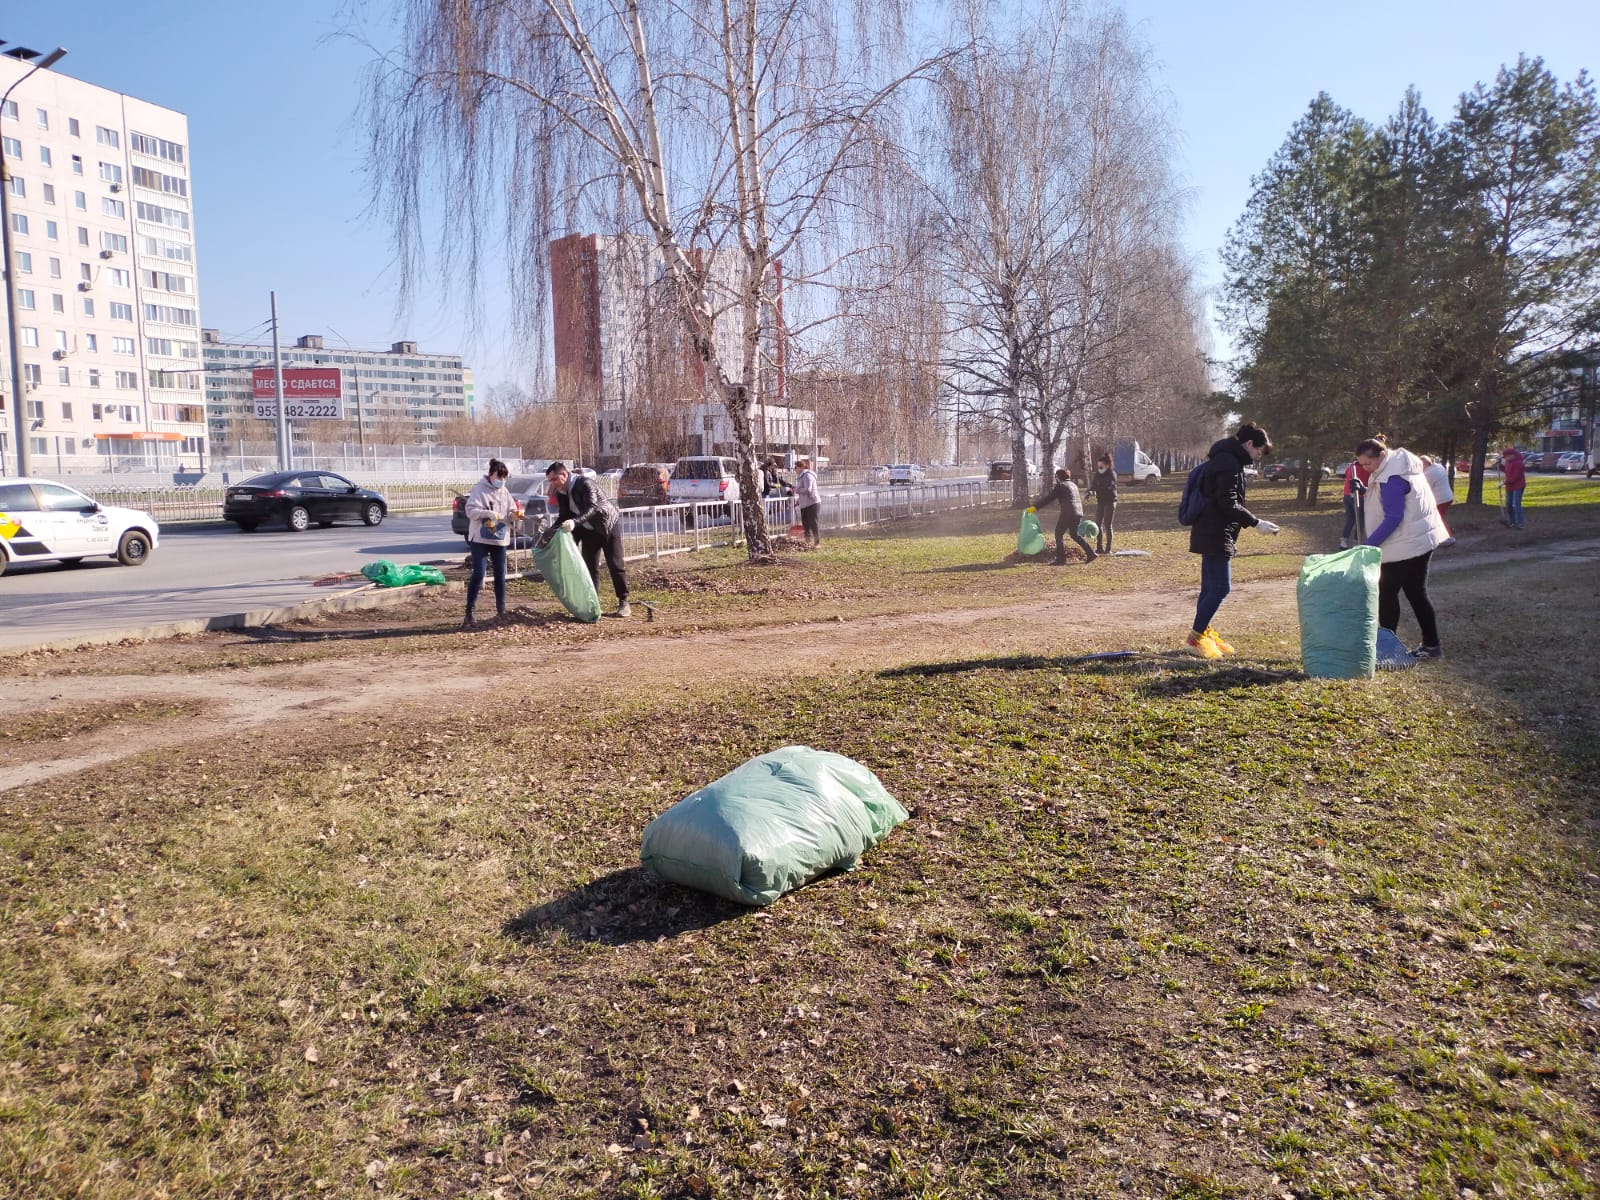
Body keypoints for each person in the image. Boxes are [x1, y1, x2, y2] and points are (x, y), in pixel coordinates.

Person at [1186, 422, 1279, 659]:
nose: (1258, 457)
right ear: (1249, 444)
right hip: (1216, 532)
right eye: (1258, 451)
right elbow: (1227, 502)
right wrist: (1257, 523)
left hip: (1210, 531)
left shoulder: (1225, 458)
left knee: (1209, 588)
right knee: (1220, 588)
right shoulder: (1229, 463)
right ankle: (1195, 638)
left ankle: (1202, 633)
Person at [1356, 436, 1449, 659]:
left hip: (1404, 544)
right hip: (1421, 538)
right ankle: (1432, 646)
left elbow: (1393, 517)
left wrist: (1368, 546)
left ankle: (1387, 651)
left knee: (1387, 594)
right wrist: (1363, 490)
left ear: (1380, 456)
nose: (1366, 469)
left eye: (1368, 464)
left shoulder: (1393, 477)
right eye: (1361, 465)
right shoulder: (1401, 465)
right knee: (1416, 593)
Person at [547, 460, 631, 618]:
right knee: (589, 568)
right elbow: (563, 515)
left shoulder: (585, 484)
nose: (553, 484)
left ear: (564, 475)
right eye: (550, 481)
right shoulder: (561, 493)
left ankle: (624, 602)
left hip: (606, 526)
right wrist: (551, 531)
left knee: (615, 564)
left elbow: (592, 508)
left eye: (554, 479)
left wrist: (574, 522)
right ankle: (593, 604)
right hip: (587, 530)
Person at [462, 458, 522, 629]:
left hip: (500, 538)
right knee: (479, 573)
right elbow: (470, 510)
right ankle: (469, 613)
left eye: (504, 478)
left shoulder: (505, 491)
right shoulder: (479, 489)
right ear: (490, 475)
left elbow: (511, 510)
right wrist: (487, 513)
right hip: (480, 538)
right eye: (499, 477)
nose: (501, 481)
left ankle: (501, 611)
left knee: (500, 575)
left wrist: (515, 514)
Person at [1032, 468, 1096, 564]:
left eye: (1056, 477)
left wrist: (1034, 508)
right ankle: (1091, 553)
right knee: (1074, 535)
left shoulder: (1061, 485)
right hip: (1078, 512)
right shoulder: (1073, 485)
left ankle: (1061, 559)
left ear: (1058, 477)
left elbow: (1049, 499)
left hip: (1068, 513)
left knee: (1058, 533)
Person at [1419, 455, 1456, 547]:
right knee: (1437, 518)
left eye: (1421, 465)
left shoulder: (1429, 474)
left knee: (1437, 518)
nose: (1420, 467)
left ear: (1426, 463)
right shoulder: (1439, 467)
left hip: (1440, 499)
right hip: (1448, 497)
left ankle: (1448, 538)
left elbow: (1425, 489)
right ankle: (1438, 537)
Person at [1089, 453, 1118, 555]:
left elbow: (1109, 487)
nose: (1099, 468)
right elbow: (1093, 486)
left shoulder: (1112, 474)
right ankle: (1099, 547)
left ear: (1107, 465)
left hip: (1110, 502)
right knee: (1097, 524)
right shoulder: (1097, 474)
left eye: (1101, 466)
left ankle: (1108, 549)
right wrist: (1090, 492)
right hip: (1100, 501)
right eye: (1098, 466)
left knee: (1107, 525)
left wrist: (1098, 490)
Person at [1339, 458, 1370, 549]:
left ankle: (1343, 542)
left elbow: (1346, 474)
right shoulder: (1365, 469)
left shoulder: (1351, 466)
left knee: (1350, 519)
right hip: (1358, 496)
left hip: (1347, 495)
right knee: (1360, 520)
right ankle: (1356, 543)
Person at [793, 457, 822, 546]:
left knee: (813, 522)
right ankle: (808, 542)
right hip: (805, 504)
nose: (795, 470)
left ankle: (817, 543)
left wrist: (796, 490)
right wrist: (798, 501)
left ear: (801, 467)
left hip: (812, 503)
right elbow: (803, 491)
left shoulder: (807, 476)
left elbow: (808, 490)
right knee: (805, 524)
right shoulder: (800, 477)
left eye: (796, 468)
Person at [1500, 444, 1526, 529]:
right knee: (1509, 504)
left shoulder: (1518, 463)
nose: (1505, 459)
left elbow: (1515, 477)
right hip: (1510, 486)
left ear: (1511, 455)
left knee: (1516, 504)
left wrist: (1504, 482)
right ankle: (1512, 522)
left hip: (1518, 485)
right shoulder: (1508, 462)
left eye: (1506, 457)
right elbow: (1507, 472)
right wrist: (1500, 465)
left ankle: (1520, 523)